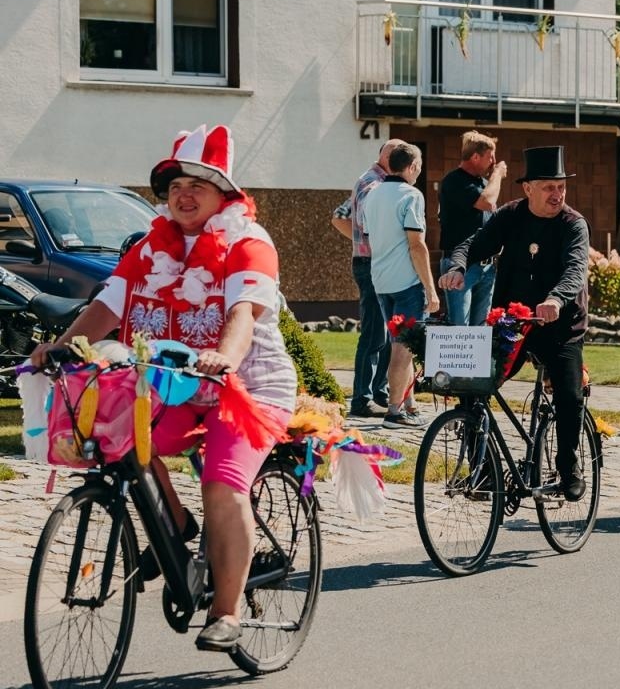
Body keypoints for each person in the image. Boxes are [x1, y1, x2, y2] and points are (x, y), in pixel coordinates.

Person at [31, 125, 299, 652]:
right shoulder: (153, 245)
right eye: (175, 183)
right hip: (176, 383)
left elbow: (243, 313)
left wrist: (226, 355)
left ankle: (227, 610)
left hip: (249, 386)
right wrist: (57, 347)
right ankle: (175, 525)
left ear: (225, 194)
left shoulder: (248, 241)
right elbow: (108, 307)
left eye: (199, 183)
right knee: (117, 435)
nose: (184, 193)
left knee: (222, 483)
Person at [443, 146, 591, 500]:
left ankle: (569, 465)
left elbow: (575, 270)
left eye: (561, 187)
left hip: (560, 327)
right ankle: (484, 468)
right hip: (512, 324)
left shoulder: (574, 224)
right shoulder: (510, 215)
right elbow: (472, 244)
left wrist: (555, 299)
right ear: (527, 188)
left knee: (569, 396)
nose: (556, 194)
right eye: (548, 187)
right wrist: (459, 266)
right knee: (473, 386)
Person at [363, 142, 440, 426]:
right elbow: (416, 246)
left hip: (381, 281)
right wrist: (430, 289)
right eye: (418, 164)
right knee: (403, 349)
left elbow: (371, 236)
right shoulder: (411, 195)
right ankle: (395, 412)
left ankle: (408, 403)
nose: (419, 169)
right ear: (411, 166)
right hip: (407, 283)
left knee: (400, 345)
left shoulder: (373, 194)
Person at [331, 138, 401, 416]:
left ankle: (378, 393)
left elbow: (339, 216)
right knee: (374, 332)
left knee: (384, 332)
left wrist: (359, 243)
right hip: (372, 263)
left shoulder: (368, 179)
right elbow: (368, 221)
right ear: (389, 157)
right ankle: (362, 399)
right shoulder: (375, 184)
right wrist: (368, 245)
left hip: (369, 259)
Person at [438, 130, 507, 327]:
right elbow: (486, 202)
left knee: (481, 330)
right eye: (490, 156)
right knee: (460, 327)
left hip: (486, 265)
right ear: (475, 156)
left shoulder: (483, 184)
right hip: (460, 266)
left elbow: (491, 208)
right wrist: (498, 175)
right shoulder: (455, 181)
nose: (493, 162)